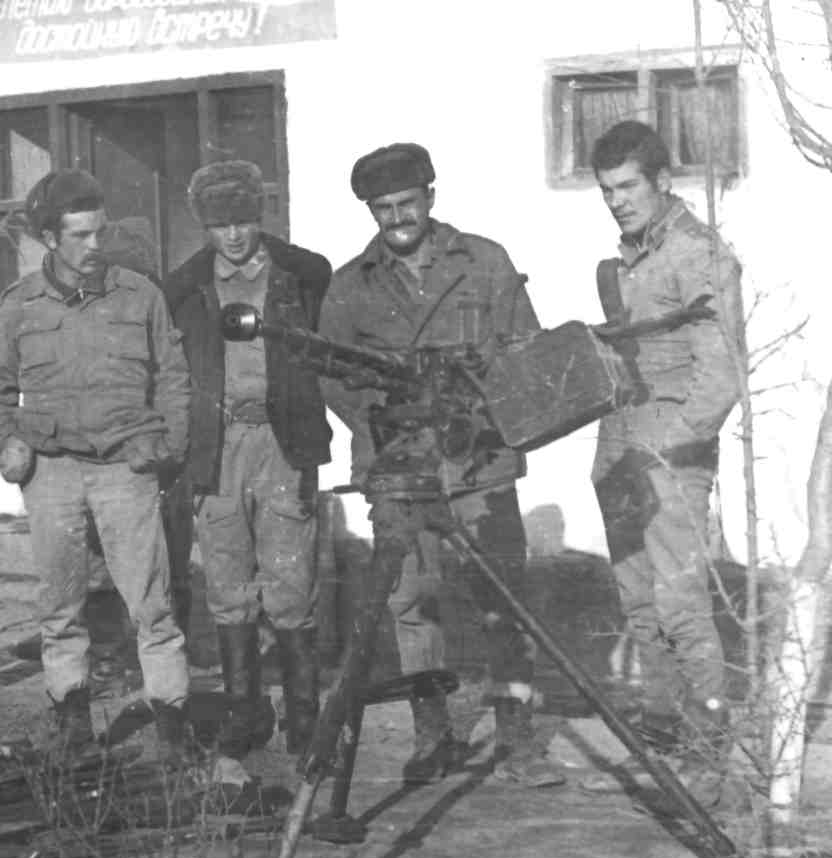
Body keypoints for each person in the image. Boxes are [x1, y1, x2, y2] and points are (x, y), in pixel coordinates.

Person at [319, 143, 563, 788]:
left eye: (407, 203)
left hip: (479, 460)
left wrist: (482, 410)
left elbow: (526, 349)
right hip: (399, 465)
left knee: (502, 601)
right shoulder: (350, 285)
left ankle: (518, 740)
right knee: (410, 604)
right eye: (383, 208)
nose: (398, 218)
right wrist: (385, 419)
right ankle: (433, 734)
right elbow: (332, 375)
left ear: (430, 196)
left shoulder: (483, 261)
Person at [0, 169, 192, 759]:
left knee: (153, 604)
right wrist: (4, 441)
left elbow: (173, 379)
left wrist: (166, 449)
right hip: (51, 472)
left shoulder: (140, 295)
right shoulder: (20, 305)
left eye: (99, 231)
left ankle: (171, 726)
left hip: (126, 467)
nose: (95, 245)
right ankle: (71, 719)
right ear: (50, 238)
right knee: (61, 605)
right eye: (80, 235)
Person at [588, 120, 742, 804]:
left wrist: (673, 447)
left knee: (680, 603)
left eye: (628, 186)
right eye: (606, 190)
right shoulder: (628, 256)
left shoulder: (696, 253)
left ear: (661, 181)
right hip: (620, 444)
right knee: (638, 599)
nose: (616, 200)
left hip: (669, 452)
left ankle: (710, 752)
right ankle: (662, 735)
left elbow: (722, 373)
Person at [163, 160, 332, 759]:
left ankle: (304, 716)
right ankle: (245, 711)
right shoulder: (185, 288)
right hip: (218, 445)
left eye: (243, 221)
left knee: (291, 579)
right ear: (204, 226)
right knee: (228, 578)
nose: (233, 236)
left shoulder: (301, 276)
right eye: (220, 224)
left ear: (260, 217)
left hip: (282, 442)